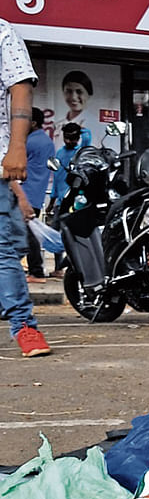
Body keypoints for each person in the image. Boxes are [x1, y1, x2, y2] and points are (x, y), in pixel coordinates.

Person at [0, 18, 51, 357]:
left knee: (2, 250)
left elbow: (20, 86)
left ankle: (24, 326)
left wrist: (16, 146)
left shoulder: (2, 32)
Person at [20, 107, 53, 282]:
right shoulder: (46, 141)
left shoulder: (29, 142)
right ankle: (34, 269)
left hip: (24, 193)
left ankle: (36, 271)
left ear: (32, 123)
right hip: (37, 193)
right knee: (27, 233)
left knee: (26, 234)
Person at [49, 121, 82, 276]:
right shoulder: (60, 153)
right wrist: (51, 202)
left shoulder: (81, 153)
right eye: (67, 138)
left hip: (76, 204)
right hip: (60, 203)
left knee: (74, 238)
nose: (69, 141)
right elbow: (56, 180)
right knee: (56, 237)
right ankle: (58, 268)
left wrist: (80, 132)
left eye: (73, 138)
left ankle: (76, 267)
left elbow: (86, 135)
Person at [61, 70, 95, 141]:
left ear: (89, 94)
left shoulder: (95, 125)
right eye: (69, 91)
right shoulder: (57, 126)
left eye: (79, 92)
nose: (73, 97)